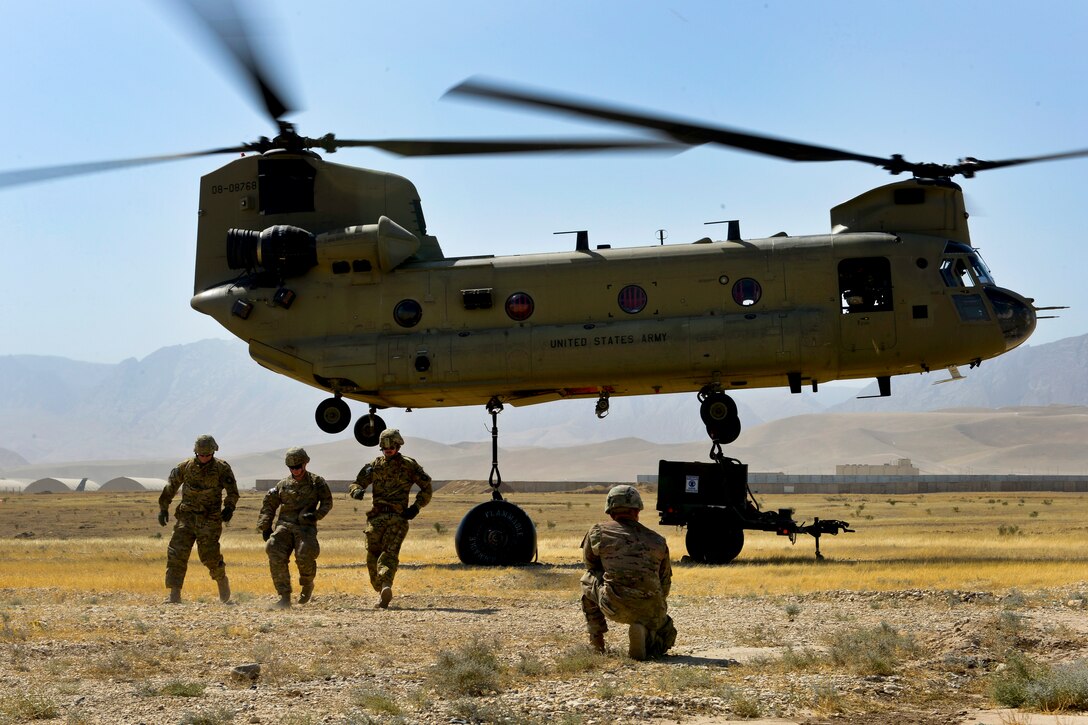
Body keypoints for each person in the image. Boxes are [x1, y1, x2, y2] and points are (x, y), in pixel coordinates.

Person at [580, 484, 676, 660]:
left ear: (610, 510)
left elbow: (590, 564)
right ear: (637, 510)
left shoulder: (598, 532)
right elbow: (665, 583)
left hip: (614, 605)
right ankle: (647, 634)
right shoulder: (658, 540)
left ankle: (597, 641)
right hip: (652, 609)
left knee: (588, 579)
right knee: (667, 638)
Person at [348, 428, 432, 608]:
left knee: (388, 554)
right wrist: (356, 491)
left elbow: (427, 487)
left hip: (398, 518)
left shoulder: (409, 465)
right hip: (376, 518)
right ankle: (381, 590)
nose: (388, 449)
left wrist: (416, 508)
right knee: (372, 557)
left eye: (391, 446)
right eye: (385, 447)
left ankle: (386, 585)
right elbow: (356, 483)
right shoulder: (374, 466)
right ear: (381, 447)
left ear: (398, 445)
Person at [158, 434, 239, 604]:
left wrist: (229, 507)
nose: (204, 458)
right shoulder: (185, 467)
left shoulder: (222, 468)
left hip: (209, 519)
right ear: (196, 453)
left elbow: (233, 491)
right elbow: (171, 486)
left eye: (207, 455)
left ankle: (222, 583)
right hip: (186, 518)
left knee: (209, 556)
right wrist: (163, 507)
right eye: (201, 455)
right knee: (176, 553)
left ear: (213, 452)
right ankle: (174, 595)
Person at [257, 447, 333, 608]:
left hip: (305, 527)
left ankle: (307, 583)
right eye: (292, 468)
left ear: (305, 463)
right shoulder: (282, 485)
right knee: (273, 548)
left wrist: (316, 515)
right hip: (284, 525)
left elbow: (327, 502)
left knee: (305, 553)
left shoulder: (316, 482)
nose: (296, 470)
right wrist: (265, 526)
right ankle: (284, 597)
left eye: (298, 466)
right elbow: (269, 505)